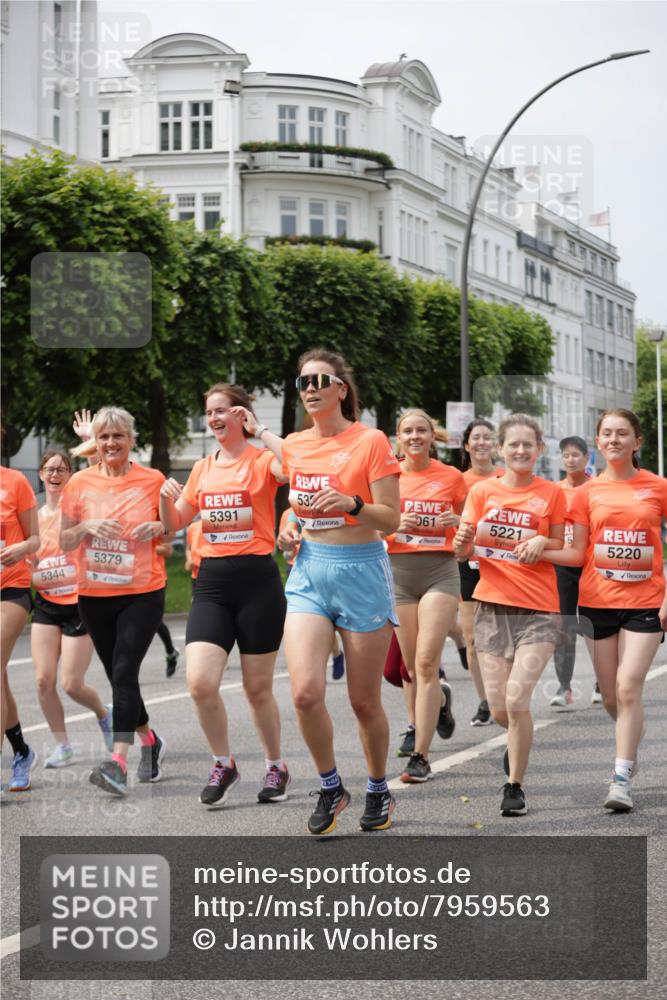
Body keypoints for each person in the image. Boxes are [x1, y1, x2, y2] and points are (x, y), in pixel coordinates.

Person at [277, 349, 401, 834]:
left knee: (363, 701)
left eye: (320, 380)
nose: (310, 388)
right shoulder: (293, 444)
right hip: (309, 570)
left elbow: (390, 518)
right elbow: (297, 506)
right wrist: (288, 527)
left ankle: (377, 788)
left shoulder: (369, 441)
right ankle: (331, 787)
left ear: (340, 389)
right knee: (306, 693)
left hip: (362, 571)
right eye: (303, 381)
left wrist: (353, 504)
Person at [160, 384, 290, 808]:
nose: (214, 418)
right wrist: (166, 501)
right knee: (199, 683)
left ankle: (276, 765)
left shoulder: (262, 458)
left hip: (258, 582)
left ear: (242, 416)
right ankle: (224, 762)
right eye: (209, 411)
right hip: (212, 583)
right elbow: (177, 522)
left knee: (257, 690)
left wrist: (262, 430)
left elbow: (296, 466)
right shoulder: (202, 468)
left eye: (223, 411)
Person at [454, 414, 565, 817]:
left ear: (539, 450)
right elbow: (463, 551)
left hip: (539, 611)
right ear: (501, 449)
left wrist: (541, 540)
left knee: (518, 699)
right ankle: (517, 739)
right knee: (501, 708)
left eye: (528, 445)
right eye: (513, 444)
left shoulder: (551, 494)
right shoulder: (482, 492)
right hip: (492, 606)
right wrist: (462, 542)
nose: (520, 450)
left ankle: (514, 785)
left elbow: (562, 541)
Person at [563, 409, 667, 812]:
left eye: (622, 433)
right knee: (611, 696)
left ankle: (620, 777)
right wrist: (534, 548)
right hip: (596, 602)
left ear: (637, 441)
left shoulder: (657, 486)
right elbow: (575, 552)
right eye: (607, 433)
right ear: (598, 441)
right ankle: (629, 744)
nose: (614, 439)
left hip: (644, 604)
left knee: (628, 686)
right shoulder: (586, 493)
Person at [60, 406, 167, 796]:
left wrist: (159, 526)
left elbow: (170, 528)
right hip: (94, 595)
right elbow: (65, 540)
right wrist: (86, 525)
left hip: (142, 593)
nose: (110, 443)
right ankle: (151, 740)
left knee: (124, 673)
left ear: (131, 439)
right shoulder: (79, 483)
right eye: (103, 437)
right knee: (119, 678)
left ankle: (117, 762)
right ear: (96, 443)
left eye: (117, 436)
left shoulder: (152, 479)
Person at [385, 409, 466, 781]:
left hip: (439, 571)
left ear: (432, 436)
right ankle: (432, 710)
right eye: (408, 431)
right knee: (413, 668)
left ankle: (420, 755)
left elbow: (471, 526)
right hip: (398, 574)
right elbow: (368, 525)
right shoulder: (387, 476)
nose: (415, 436)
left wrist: (459, 525)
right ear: (397, 437)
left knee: (426, 662)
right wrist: (392, 525)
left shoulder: (451, 477)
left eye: (422, 430)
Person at [31, 450, 112, 767]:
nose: (55, 474)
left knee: (72, 684)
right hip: (46, 604)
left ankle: (104, 714)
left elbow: (100, 483)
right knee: (42, 680)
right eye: (49, 469)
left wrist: (90, 448)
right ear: (40, 474)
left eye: (62, 469)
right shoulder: (33, 517)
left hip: (78, 603)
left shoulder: (79, 508)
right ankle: (62, 745)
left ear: (70, 475)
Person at [1, 465, 39, 792]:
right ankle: (22, 752)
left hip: (11, 589)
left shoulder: (15, 481)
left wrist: (21, 548)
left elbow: (35, 538)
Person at [459, 419, 499, 726]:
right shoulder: (457, 480)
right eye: (477, 438)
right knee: (472, 638)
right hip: (468, 565)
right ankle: (485, 701)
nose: (482, 443)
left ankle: (505, 696)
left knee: (502, 637)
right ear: (467, 445)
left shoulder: (507, 478)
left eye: (488, 437)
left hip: (503, 567)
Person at [278, 505, 345, 681]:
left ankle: (336, 654)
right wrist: (290, 545)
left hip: (327, 566)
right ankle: (327, 662)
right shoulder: (287, 515)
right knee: (317, 621)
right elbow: (284, 552)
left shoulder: (326, 507)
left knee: (328, 621)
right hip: (297, 568)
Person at [549, 436, 590, 709]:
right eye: (566, 455)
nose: (571, 459)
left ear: (587, 458)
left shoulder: (597, 488)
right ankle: (564, 687)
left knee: (594, 625)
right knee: (563, 626)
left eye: (576, 454)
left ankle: (603, 682)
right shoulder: (555, 491)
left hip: (591, 565)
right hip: (563, 565)